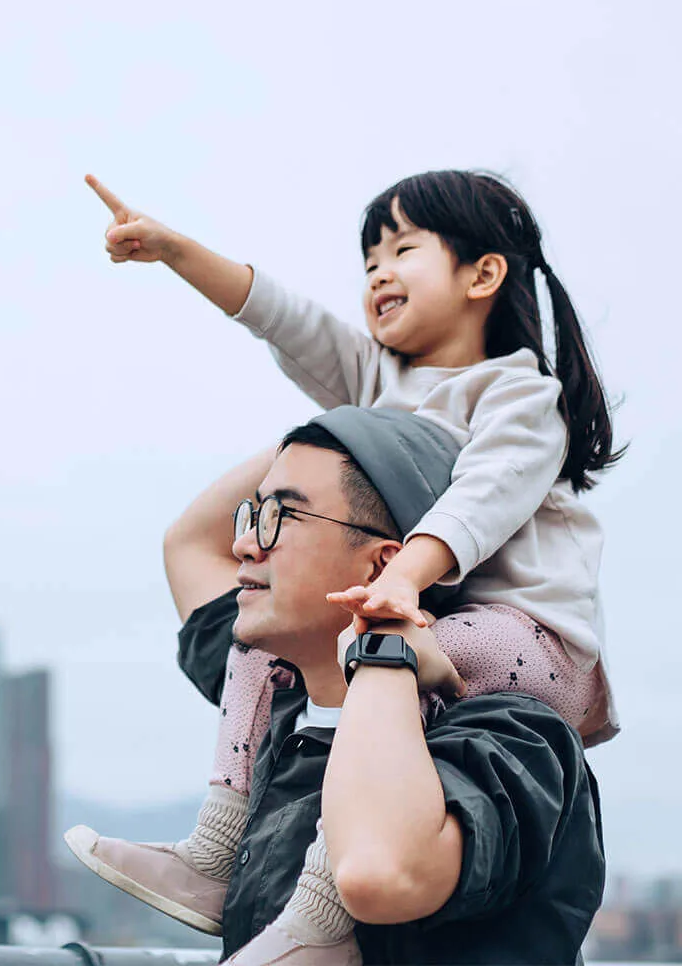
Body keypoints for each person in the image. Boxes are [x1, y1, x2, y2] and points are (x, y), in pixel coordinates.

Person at [66, 169, 621, 956]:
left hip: (527, 638)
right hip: (418, 610)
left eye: (402, 250)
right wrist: (176, 251)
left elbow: (484, 498)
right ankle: (217, 847)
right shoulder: (377, 384)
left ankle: (324, 920)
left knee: (377, 645)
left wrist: (402, 578)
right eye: (367, 263)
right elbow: (287, 322)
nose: (378, 274)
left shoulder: (517, 392)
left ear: (483, 274)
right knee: (267, 648)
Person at [66, 408, 606, 964]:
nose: (246, 545)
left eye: (282, 515)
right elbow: (188, 543)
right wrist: (374, 404)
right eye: (252, 514)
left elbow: (381, 872)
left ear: (381, 566)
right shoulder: (267, 701)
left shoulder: (513, 740)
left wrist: (384, 643)